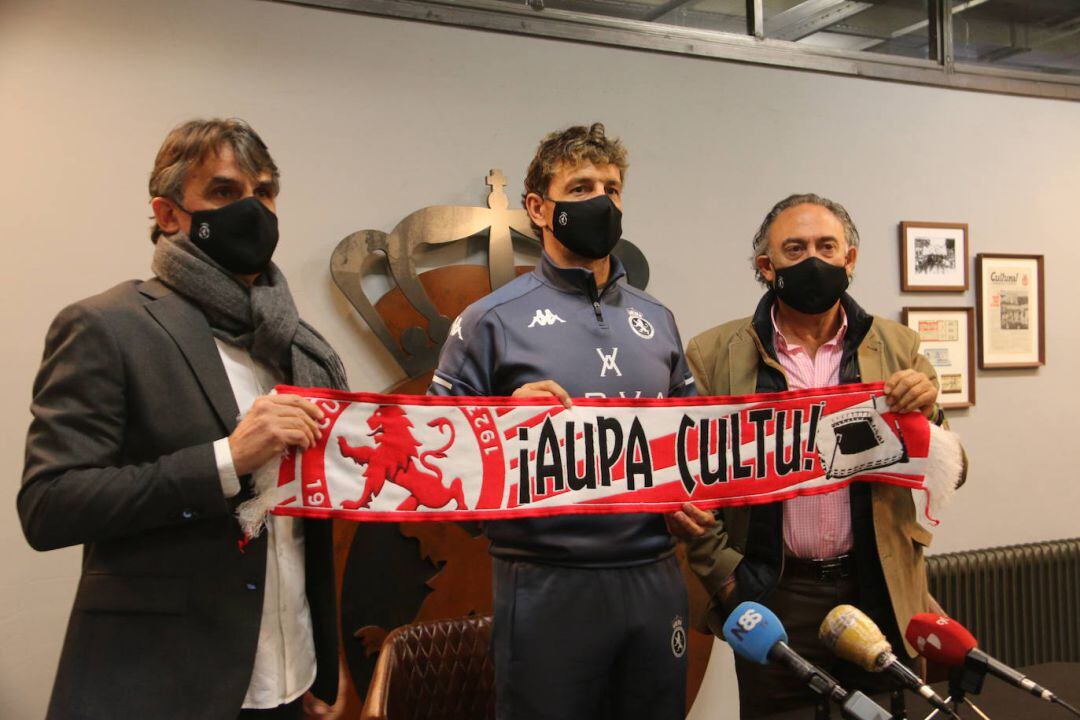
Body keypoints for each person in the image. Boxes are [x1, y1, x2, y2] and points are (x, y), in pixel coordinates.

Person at [19, 119, 347, 720]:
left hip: (291, 678)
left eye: (265, 191)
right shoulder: (107, 327)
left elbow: (311, 523)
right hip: (160, 685)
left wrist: (327, 658)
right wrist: (226, 460)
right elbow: (49, 505)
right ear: (168, 214)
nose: (253, 209)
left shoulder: (300, 347)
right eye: (224, 192)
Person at [428, 123, 709, 719]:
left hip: (655, 577)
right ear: (538, 207)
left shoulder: (658, 319)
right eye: (581, 186)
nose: (601, 201)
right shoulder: (489, 321)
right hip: (546, 582)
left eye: (611, 186)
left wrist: (695, 497)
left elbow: (693, 446)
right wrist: (503, 425)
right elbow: (435, 462)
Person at [683, 193, 965, 717]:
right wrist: (726, 578)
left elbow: (954, 471)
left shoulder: (898, 346)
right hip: (774, 591)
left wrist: (928, 418)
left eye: (825, 246)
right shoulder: (712, 354)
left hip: (876, 587)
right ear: (767, 267)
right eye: (794, 249)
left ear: (849, 259)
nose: (813, 259)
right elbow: (691, 485)